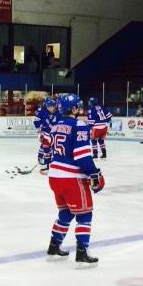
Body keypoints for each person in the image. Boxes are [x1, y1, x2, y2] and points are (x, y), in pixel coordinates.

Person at [46, 94, 104, 265]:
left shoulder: (56, 125)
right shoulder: (79, 125)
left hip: (54, 176)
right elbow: (82, 157)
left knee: (66, 212)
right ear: (73, 109)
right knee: (85, 214)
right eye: (77, 106)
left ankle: (54, 246)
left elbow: (49, 149)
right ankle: (82, 252)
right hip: (71, 178)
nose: (80, 109)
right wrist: (94, 174)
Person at [33, 96, 58, 169]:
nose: (50, 108)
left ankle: (43, 157)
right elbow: (36, 120)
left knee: (48, 145)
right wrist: (38, 128)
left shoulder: (57, 112)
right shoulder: (41, 111)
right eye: (49, 106)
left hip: (52, 131)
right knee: (46, 145)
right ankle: (45, 159)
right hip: (44, 131)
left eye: (52, 107)